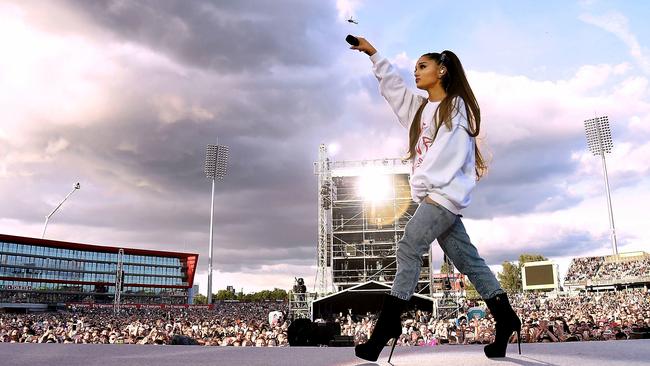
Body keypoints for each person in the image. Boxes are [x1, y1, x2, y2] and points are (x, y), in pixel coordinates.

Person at [348, 36, 521, 361]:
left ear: (441, 71)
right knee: (467, 260)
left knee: (409, 245)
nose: (416, 72)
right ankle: (506, 317)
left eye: (422, 66)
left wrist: (424, 184)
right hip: (438, 196)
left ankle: (386, 328)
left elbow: (450, 152)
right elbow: (395, 91)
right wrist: (373, 54)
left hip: (442, 194)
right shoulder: (422, 110)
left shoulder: (454, 107)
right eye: (415, 67)